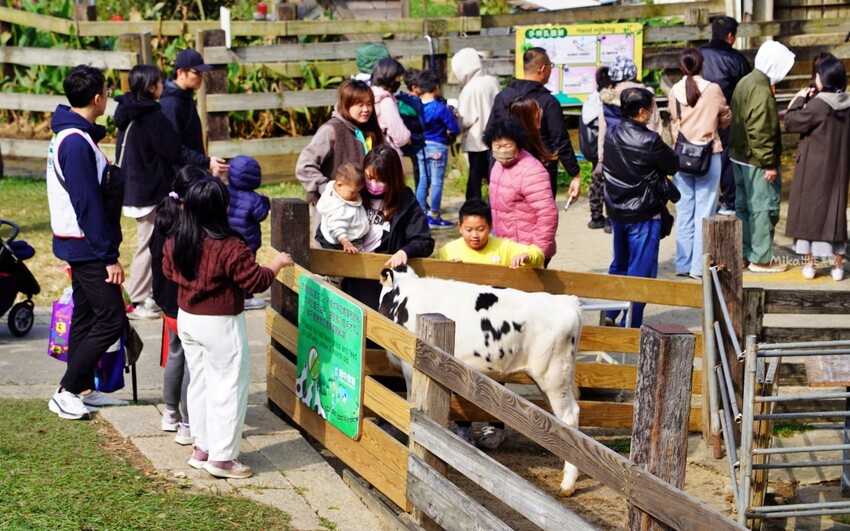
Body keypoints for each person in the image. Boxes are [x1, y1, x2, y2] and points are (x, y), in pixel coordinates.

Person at [162, 177, 294, 479]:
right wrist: (276, 264)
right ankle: (222, 459)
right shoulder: (230, 245)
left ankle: (203, 448)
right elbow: (256, 281)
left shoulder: (176, 237)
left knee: (200, 383)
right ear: (223, 207)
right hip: (219, 323)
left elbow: (168, 270)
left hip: (188, 319)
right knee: (229, 387)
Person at [46, 64, 129, 419]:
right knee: (111, 318)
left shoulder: (73, 135)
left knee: (85, 315)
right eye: (107, 91)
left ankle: (80, 389)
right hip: (88, 245)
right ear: (98, 98)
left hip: (80, 243)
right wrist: (109, 256)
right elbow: (87, 202)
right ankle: (65, 390)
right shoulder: (75, 142)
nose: (108, 96)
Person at [434, 198, 543, 449]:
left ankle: (495, 425)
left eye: (481, 229)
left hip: (493, 329)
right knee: (460, 375)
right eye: (469, 229)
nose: (475, 235)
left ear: (490, 227)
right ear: (460, 227)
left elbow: (537, 253)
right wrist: (448, 270)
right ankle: (462, 425)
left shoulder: (503, 248)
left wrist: (526, 256)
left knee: (495, 376)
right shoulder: (449, 250)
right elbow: (435, 276)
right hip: (462, 326)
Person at [602, 88, 680, 328]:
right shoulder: (650, 140)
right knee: (642, 271)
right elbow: (673, 163)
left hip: (617, 210)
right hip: (644, 213)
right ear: (643, 112)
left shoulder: (612, 132)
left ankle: (611, 312)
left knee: (620, 264)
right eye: (653, 107)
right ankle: (632, 324)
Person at [114, 64, 181, 321]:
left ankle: (145, 294)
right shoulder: (153, 117)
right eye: (160, 82)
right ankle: (140, 298)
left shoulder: (128, 112)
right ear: (152, 87)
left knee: (148, 241)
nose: (163, 86)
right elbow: (173, 150)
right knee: (148, 244)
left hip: (132, 188)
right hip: (148, 191)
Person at [150, 165, 209, 445]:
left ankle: (170, 412)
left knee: (176, 353)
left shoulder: (163, 218)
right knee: (192, 362)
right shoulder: (190, 226)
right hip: (183, 302)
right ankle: (187, 422)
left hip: (165, 301)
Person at [341, 144, 434, 311]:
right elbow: (327, 229)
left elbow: (424, 240)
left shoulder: (406, 201)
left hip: (385, 276)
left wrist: (405, 251)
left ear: (393, 178)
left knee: (379, 319)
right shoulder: (353, 194)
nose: (374, 184)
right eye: (369, 178)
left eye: (381, 180)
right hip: (354, 271)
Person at [729, 41, 795, 273]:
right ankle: (762, 258)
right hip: (756, 160)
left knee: (744, 207)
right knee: (763, 207)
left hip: (738, 156)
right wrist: (769, 162)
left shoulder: (745, 81)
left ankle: (747, 253)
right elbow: (761, 130)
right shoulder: (762, 89)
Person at [784, 57, 850, 281]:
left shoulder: (818, 105)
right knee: (835, 213)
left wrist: (798, 98)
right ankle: (838, 268)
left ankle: (811, 266)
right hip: (839, 167)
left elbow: (791, 122)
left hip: (813, 169)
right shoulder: (847, 103)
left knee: (810, 214)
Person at [668, 48, 731, 279]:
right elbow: (725, 117)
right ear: (702, 65)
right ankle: (697, 268)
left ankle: (682, 264)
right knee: (704, 213)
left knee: (684, 212)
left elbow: (673, 120)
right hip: (708, 154)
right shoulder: (713, 89)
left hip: (681, 157)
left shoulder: (674, 90)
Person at [488, 47, 581, 201]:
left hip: (505, 172)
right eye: (551, 66)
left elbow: (491, 134)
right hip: (539, 175)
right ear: (543, 69)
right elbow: (560, 141)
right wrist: (575, 174)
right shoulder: (548, 102)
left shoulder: (503, 97)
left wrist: (493, 170)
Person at [296, 79, 384, 242]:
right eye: (359, 104)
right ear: (346, 104)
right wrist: (328, 190)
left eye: (369, 104)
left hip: (363, 211)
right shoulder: (331, 131)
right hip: (334, 213)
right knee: (330, 260)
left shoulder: (371, 132)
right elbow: (304, 166)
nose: (366, 109)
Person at [483, 117, 558, 265]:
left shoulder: (532, 171)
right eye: (497, 146)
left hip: (525, 250)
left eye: (507, 146)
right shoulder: (498, 166)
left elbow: (547, 214)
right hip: (505, 248)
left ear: (518, 144)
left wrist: (536, 251)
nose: (502, 151)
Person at [700, 16, 751, 216]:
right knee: (727, 157)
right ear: (731, 36)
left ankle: (706, 201)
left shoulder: (698, 54)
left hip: (699, 114)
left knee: (701, 153)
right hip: (728, 116)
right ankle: (729, 202)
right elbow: (746, 91)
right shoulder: (737, 60)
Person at [160, 48, 228, 177]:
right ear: (180, 72)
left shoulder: (185, 96)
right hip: (179, 176)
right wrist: (206, 162)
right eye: (197, 72)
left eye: (203, 73)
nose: (201, 77)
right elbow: (174, 148)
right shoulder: (171, 104)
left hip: (191, 171)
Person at [596, 56, 663, 171]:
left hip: (616, 159)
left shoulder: (606, 99)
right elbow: (656, 129)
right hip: (642, 158)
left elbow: (603, 134)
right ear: (634, 73)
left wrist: (601, 159)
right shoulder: (645, 97)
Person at [451, 48, 501, 200]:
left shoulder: (469, 89)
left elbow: (465, 118)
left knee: (475, 175)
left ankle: (473, 205)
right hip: (495, 136)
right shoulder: (493, 81)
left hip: (476, 139)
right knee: (494, 173)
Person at [415, 70, 461, 229]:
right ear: (436, 87)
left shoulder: (416, 105)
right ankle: (434, 215)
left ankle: (420, 213)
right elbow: (454, 128)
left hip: (421, 146)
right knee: (437, 182)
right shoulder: (440, 108)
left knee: (423, 179)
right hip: (438, 147)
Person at [227, 155, 271, 310]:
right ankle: (247, 297)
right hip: (248, 241)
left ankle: (232, 293)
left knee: (230, 268)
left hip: (228, 239)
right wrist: (265, 202)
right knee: (247, 269)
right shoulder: (254, 199)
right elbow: (260, 215)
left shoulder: (225, 191)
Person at [316, 162, 375, 252]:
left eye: (357, 192)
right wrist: (346, 243)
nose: (355, 196)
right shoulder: (338, 207)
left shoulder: (333, 189)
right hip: (341, 243)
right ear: (339, 185)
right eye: (353, 192)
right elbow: (337, 226)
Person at [583, 67, 613, 232]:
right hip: (606, 148)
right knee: (610, 183)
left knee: (596, 182)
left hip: (591, 148)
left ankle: (595, 217)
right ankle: (609, 219)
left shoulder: (590, 99)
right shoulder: (608, 99)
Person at [371, 58, 411, 161]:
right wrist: (408, 137)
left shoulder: (371, 95)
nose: (399, 81)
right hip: (386, 155)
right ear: (390, 76)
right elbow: (401, 136)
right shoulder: (385, 102)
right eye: (398, 77)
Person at [396, 69, 427, 194]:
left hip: (412, 140)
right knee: (419, 171)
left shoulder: (404, 100)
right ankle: (420, 199)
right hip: (413, 140)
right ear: (414, 87)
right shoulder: (409, 104)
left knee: (418, 170)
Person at [508, 97, 559, 167]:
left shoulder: (527, 141)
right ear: (528, 118)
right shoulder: (523, 149)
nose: (541, 112)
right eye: (537, 111)